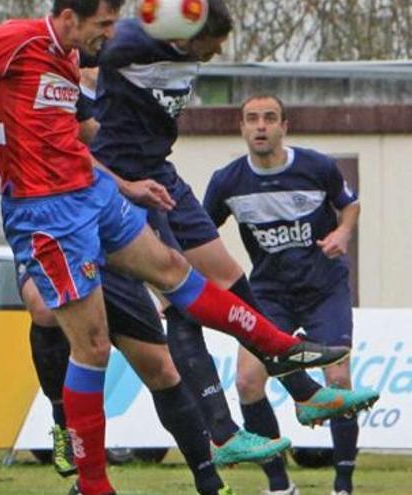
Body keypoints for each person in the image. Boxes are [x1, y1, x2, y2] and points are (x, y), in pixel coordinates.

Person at [0, 2, 351, 493]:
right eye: (102, 24)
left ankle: (281, 349)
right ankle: (90, 471)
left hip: (93, 193)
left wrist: (127, 183)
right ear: (67, 18)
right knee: (92, 346)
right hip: (45, 215)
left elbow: (77, 139)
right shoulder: (16, 41)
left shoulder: (69, 60)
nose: (110, 34)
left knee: (173, 270)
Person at [89, 2, 379, 486]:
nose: (220, 50)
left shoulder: (183, 47)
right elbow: (79, 51)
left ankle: (304, 393)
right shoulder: (132, 42)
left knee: (228, 278)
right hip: (124, 185)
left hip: (162, 173)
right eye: (215, 40)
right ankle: (222, 432)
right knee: (181, 299)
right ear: (190, 32)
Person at [24, 76, 284, 495]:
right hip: (57, 229)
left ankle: (210, 480)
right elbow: (55, 146)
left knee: (161, 368)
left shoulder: (128, 94)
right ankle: (64, 429)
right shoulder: (48, 87)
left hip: (118, 240)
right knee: (42, 306)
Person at [204, 95, 363, 495]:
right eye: (252, 119)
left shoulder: (317, 167)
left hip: (323, 288)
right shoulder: (227, 181)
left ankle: (342, 485)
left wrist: (342, 233)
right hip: (268, 294)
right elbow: (198, 233)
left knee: (338, 380)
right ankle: (280, 486)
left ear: (284, 127)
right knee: (247, 382)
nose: (261, 126)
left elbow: (350, 205)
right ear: (241, 128)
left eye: (269, 118)